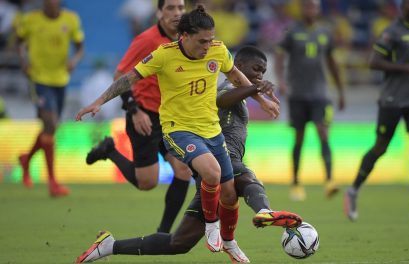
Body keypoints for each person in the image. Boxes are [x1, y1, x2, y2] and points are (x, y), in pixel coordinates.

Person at [76, 6, 280, 262]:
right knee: (212, 172)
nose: (208, 46)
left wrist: (261, 101)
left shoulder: (218, 50)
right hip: (179, 130)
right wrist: (99, 101)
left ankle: (228, 241)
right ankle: (213, 225)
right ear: (184, 36)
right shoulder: (164, 55)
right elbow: (127, 79)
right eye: (202, 41)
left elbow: (237, 77)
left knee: (227, 193)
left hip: (211, 131)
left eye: (210, 39)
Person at [85, 0, 192, 234]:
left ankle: (163, 233)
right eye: (171, 8)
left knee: (184, 170)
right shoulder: (147, 40)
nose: (177, 13)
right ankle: (109, 149)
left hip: (170, 118)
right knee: (147, 183)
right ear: (159, 12)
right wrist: (133, 109)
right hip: (144, 115)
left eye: (181, 7)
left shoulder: (186, 40)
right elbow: (120, 74)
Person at [345, 0, 409, 222]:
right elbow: (374, 62)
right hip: (392, 99)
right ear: (403, 7)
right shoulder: (391, 32)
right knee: (381, 147)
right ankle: (354, 189)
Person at [274, 0, 345, 201]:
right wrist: (281, 80)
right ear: (302, 8)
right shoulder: (292, 32)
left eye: (314, 6)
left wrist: (340, 92)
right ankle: (296, 183)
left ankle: (330, 180)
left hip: (320, 94)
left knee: (323, 132)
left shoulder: (325, 32)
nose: (310, 10)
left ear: (318, 9)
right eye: (307, 6)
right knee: (299, 137)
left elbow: (332, 63)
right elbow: (279, 57)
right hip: (297, 93)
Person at [17, 0, 84, 197]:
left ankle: (26, 159)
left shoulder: (71, 19)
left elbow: (80, 47)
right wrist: (23, 62)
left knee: (50, 128)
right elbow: (19, 44)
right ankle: (53, 183)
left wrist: (74, 61)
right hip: (38, 79)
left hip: (61, 79)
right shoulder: (30, 20)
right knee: (50, 123)